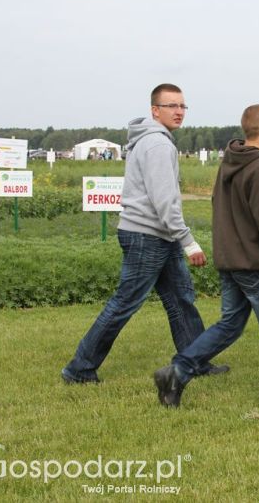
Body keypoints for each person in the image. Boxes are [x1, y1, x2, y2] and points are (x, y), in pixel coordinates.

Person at [62, 83, 227, 384]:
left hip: (156, 235)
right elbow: (165, 202)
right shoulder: (159, 145)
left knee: (181, 299)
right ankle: (79, 369)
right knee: (125, 303)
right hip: (147, 236)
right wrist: (189, 242)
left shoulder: (152, 141)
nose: (179, 112)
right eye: (171, 106)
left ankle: (195, 362)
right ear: (155, 110)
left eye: (182, 106)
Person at [154, 105, 259, 407]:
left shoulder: (229, 162)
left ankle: (177, 372)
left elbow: (222, 209)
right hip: (256, 264)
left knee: (230, 324)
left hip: (231, 260)